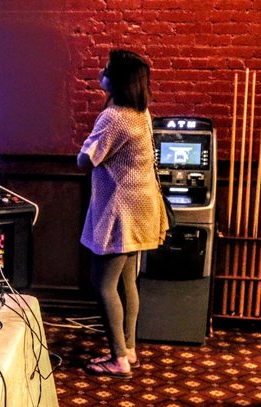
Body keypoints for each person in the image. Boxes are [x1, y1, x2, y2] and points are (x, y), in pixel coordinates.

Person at [77, 49, 169, 378]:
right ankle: (128, 349)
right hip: (143, 207)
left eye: (106, 69)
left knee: (102, 283)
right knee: (128, 280)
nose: (101, 73)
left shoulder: (114, 116)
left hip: (120, 211)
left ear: (118, 79)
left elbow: (86, 160)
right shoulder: (141, 112)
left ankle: (118, 359)